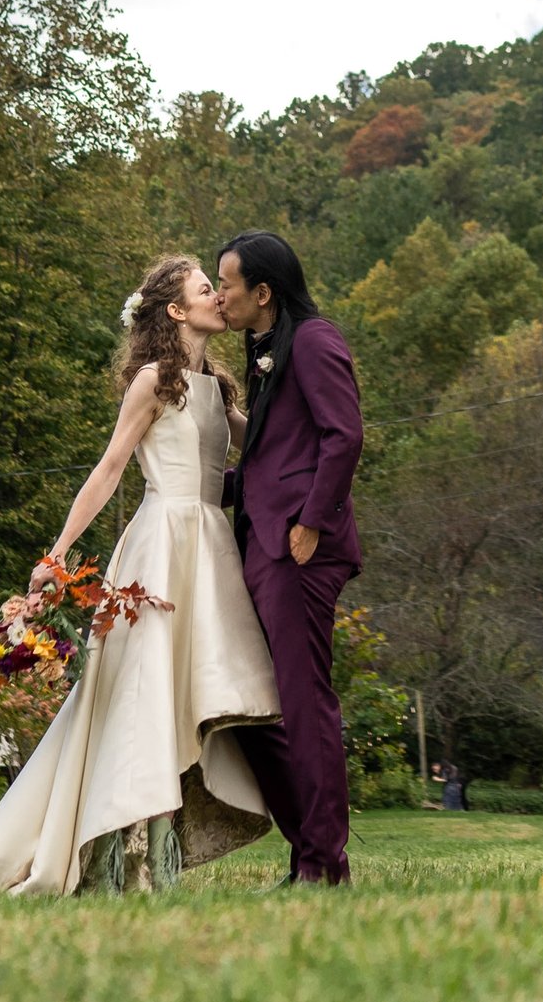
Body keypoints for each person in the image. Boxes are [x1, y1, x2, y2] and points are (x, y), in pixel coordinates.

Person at [0, 254, 280, 897]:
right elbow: (110, 467)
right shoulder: (154, 381)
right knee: (146, 698)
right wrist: (58, 553)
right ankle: (133, 861)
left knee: (189, 696)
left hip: (211, 549)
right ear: (177, 311)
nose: (217, 297)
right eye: (205, 290)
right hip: (160, 550)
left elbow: (263, 453)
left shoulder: (220, 388)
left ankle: (160, 856)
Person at [216, 229, 364, 886]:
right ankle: (306, 847)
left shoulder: (313, 339)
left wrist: (310, 523)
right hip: (259, 546)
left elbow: (345, 434)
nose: (220, 295)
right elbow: (268, 457)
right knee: (247, 709)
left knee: (305, 706)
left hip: (298, 552)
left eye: (228, 284)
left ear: (264, 292)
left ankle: (326, 863)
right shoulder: (266, 350)